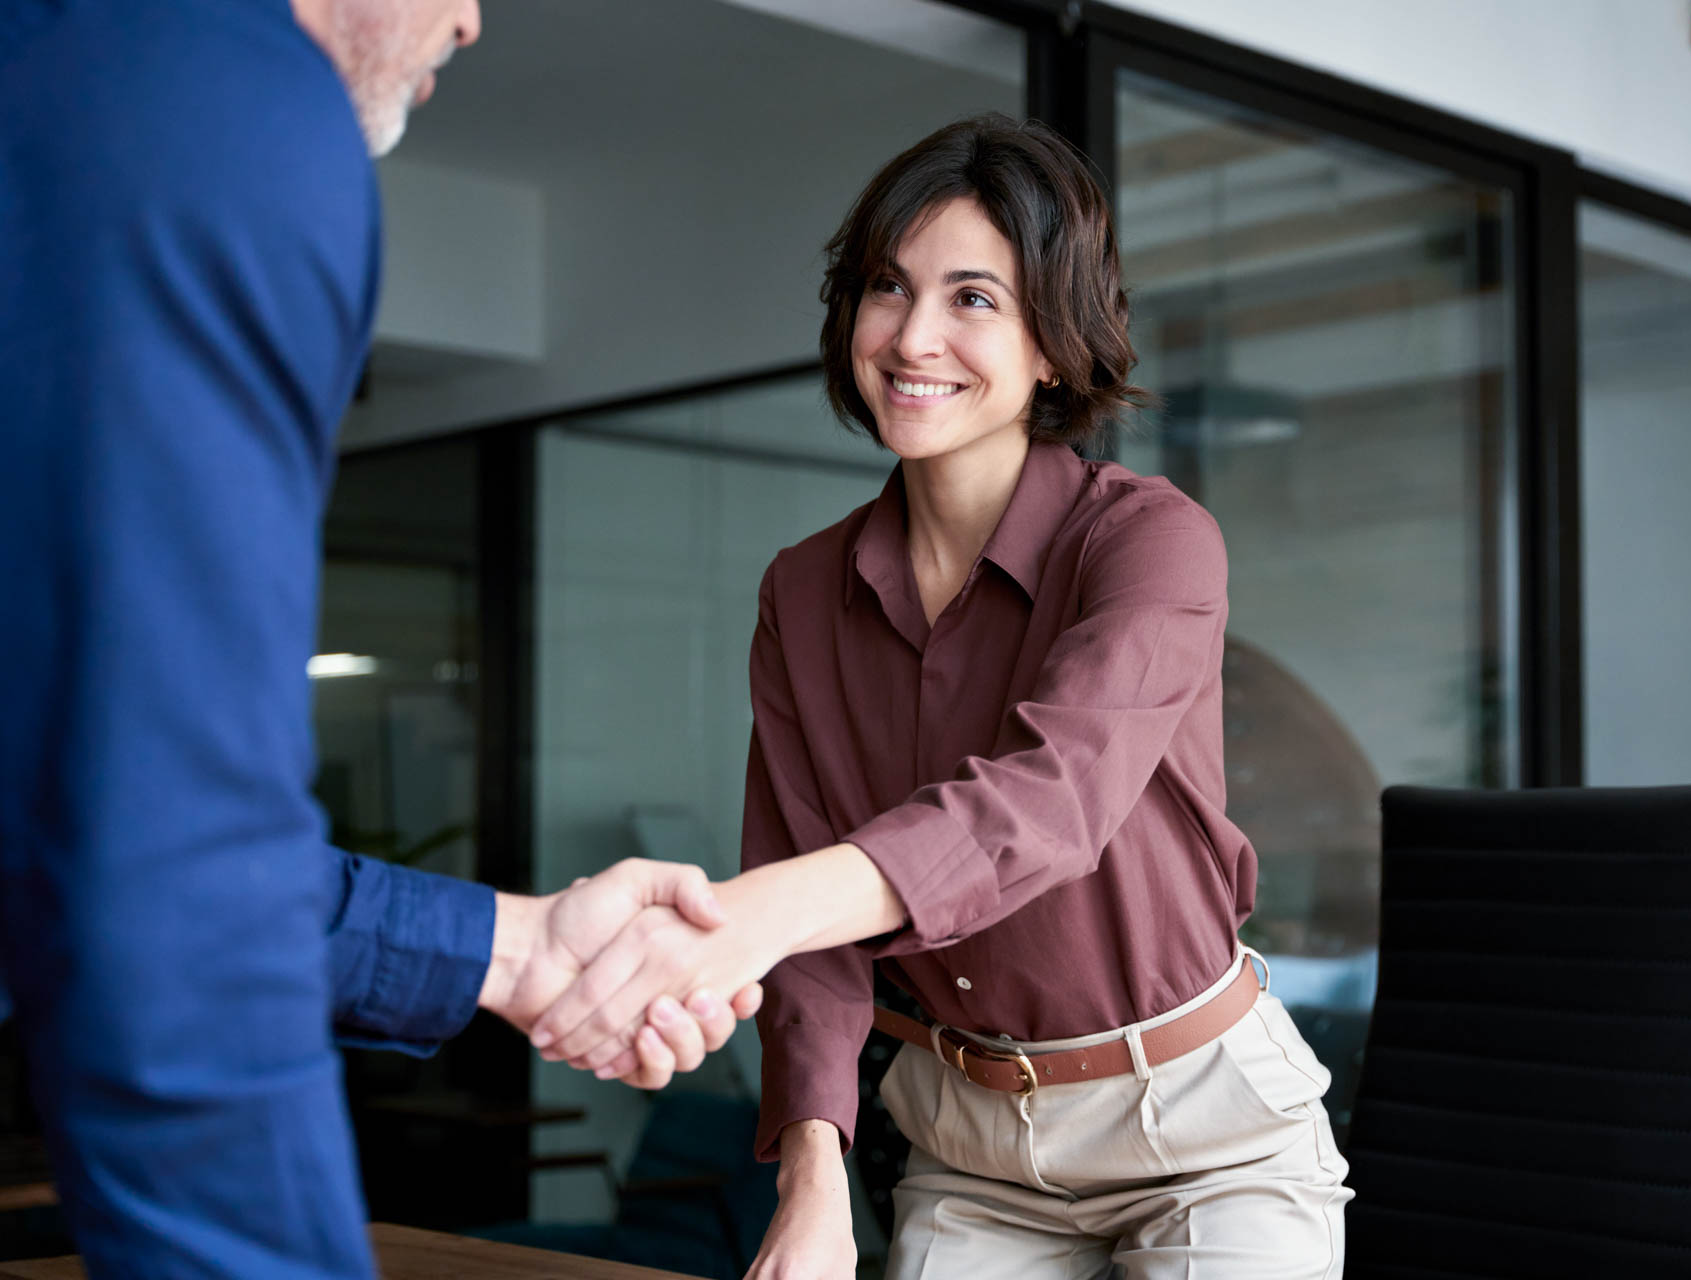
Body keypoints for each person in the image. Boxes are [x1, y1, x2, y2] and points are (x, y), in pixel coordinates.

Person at [0, 1, 757, 1275]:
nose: (468, 20)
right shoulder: (215, 97)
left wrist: (518, 949)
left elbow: (79, 796)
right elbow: (171, 861)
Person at [528, 114, 1355, 1279]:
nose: (914, 335)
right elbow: (815, 936)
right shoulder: (803, 590)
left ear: (1054, 345)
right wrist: (815, 1191)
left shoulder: (1152, 543)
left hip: (1207, 1136)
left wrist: (752, 912)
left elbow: (1047, 804)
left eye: (974, 298)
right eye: (887, 286)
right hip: (971, 1154)